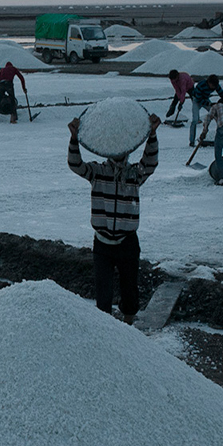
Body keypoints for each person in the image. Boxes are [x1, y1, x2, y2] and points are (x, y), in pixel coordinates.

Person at [68, 112, 161, 324]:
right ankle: (106, 334)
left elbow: (151, 162)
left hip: (128, 242)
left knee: (130, 291)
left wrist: (152, 134)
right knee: (103, 295)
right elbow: (75, 164)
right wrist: (74, 138)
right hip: (102, 244)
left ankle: (128, 327)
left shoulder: (134, 174)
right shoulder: (97, 172)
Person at [188, 73, 223, 147]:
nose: (213, 88)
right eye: (212, 86)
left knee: (216, 116)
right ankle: (191, 141)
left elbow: (222, 95)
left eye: (215, 86)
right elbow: (199, 99)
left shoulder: (216, 86)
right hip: (196, 99)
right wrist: (209, 104)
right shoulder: (201, 85)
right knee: (195, 120)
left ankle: (222, 135)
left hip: (205, 99)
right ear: (208, 82)